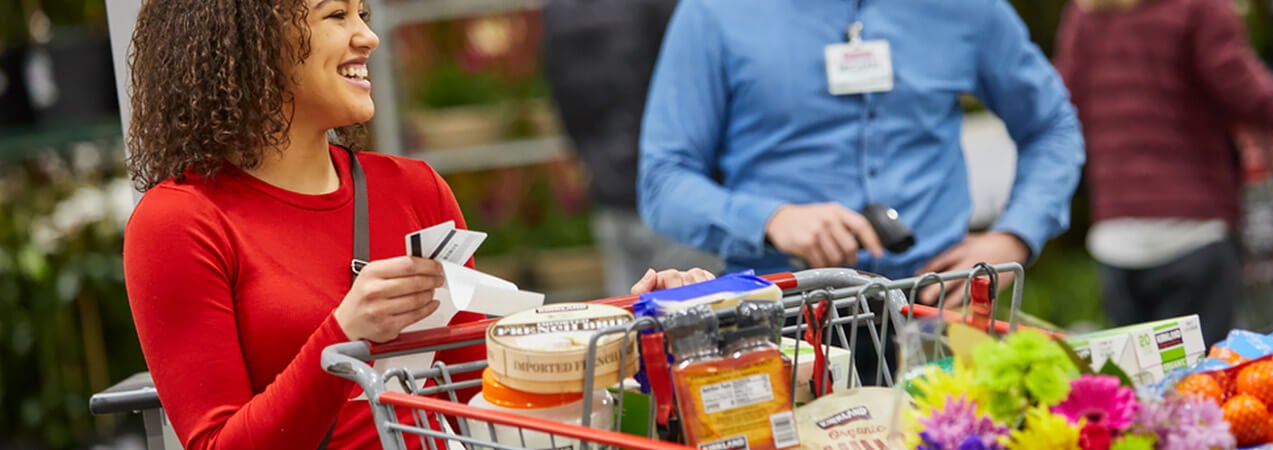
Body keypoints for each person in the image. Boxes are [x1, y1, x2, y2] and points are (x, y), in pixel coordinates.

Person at [121, 0, 713, 448]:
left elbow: (488, 392)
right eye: (335, 15)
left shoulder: (413, 188)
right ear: (246, 41)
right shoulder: (181, 221)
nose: (368, 36)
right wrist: (344, 334)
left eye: (363, 12)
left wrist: (631, 329)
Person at [638, 0, 1087, 307]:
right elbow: (663, 179)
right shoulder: (714, 13)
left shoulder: (966, 9)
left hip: (939, 308)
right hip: (782, 317)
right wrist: (772, 219)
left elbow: (1051, 126)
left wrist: (1015, 236)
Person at [1053, 0, 1273, 343]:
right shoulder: (1199, 8)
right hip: (1193, 233)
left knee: (1138, 389)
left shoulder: (1086, 12)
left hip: (1116, 241)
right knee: (1200, 389)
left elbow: (1062, 112)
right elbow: (1262, 102)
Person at [541, 0, 723, 297]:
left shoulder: (561, 10)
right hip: (676, 193)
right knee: (696, 318)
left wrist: (595, 164)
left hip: (610, 188)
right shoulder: (666, 8)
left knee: (633, 321)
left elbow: (564, 99)